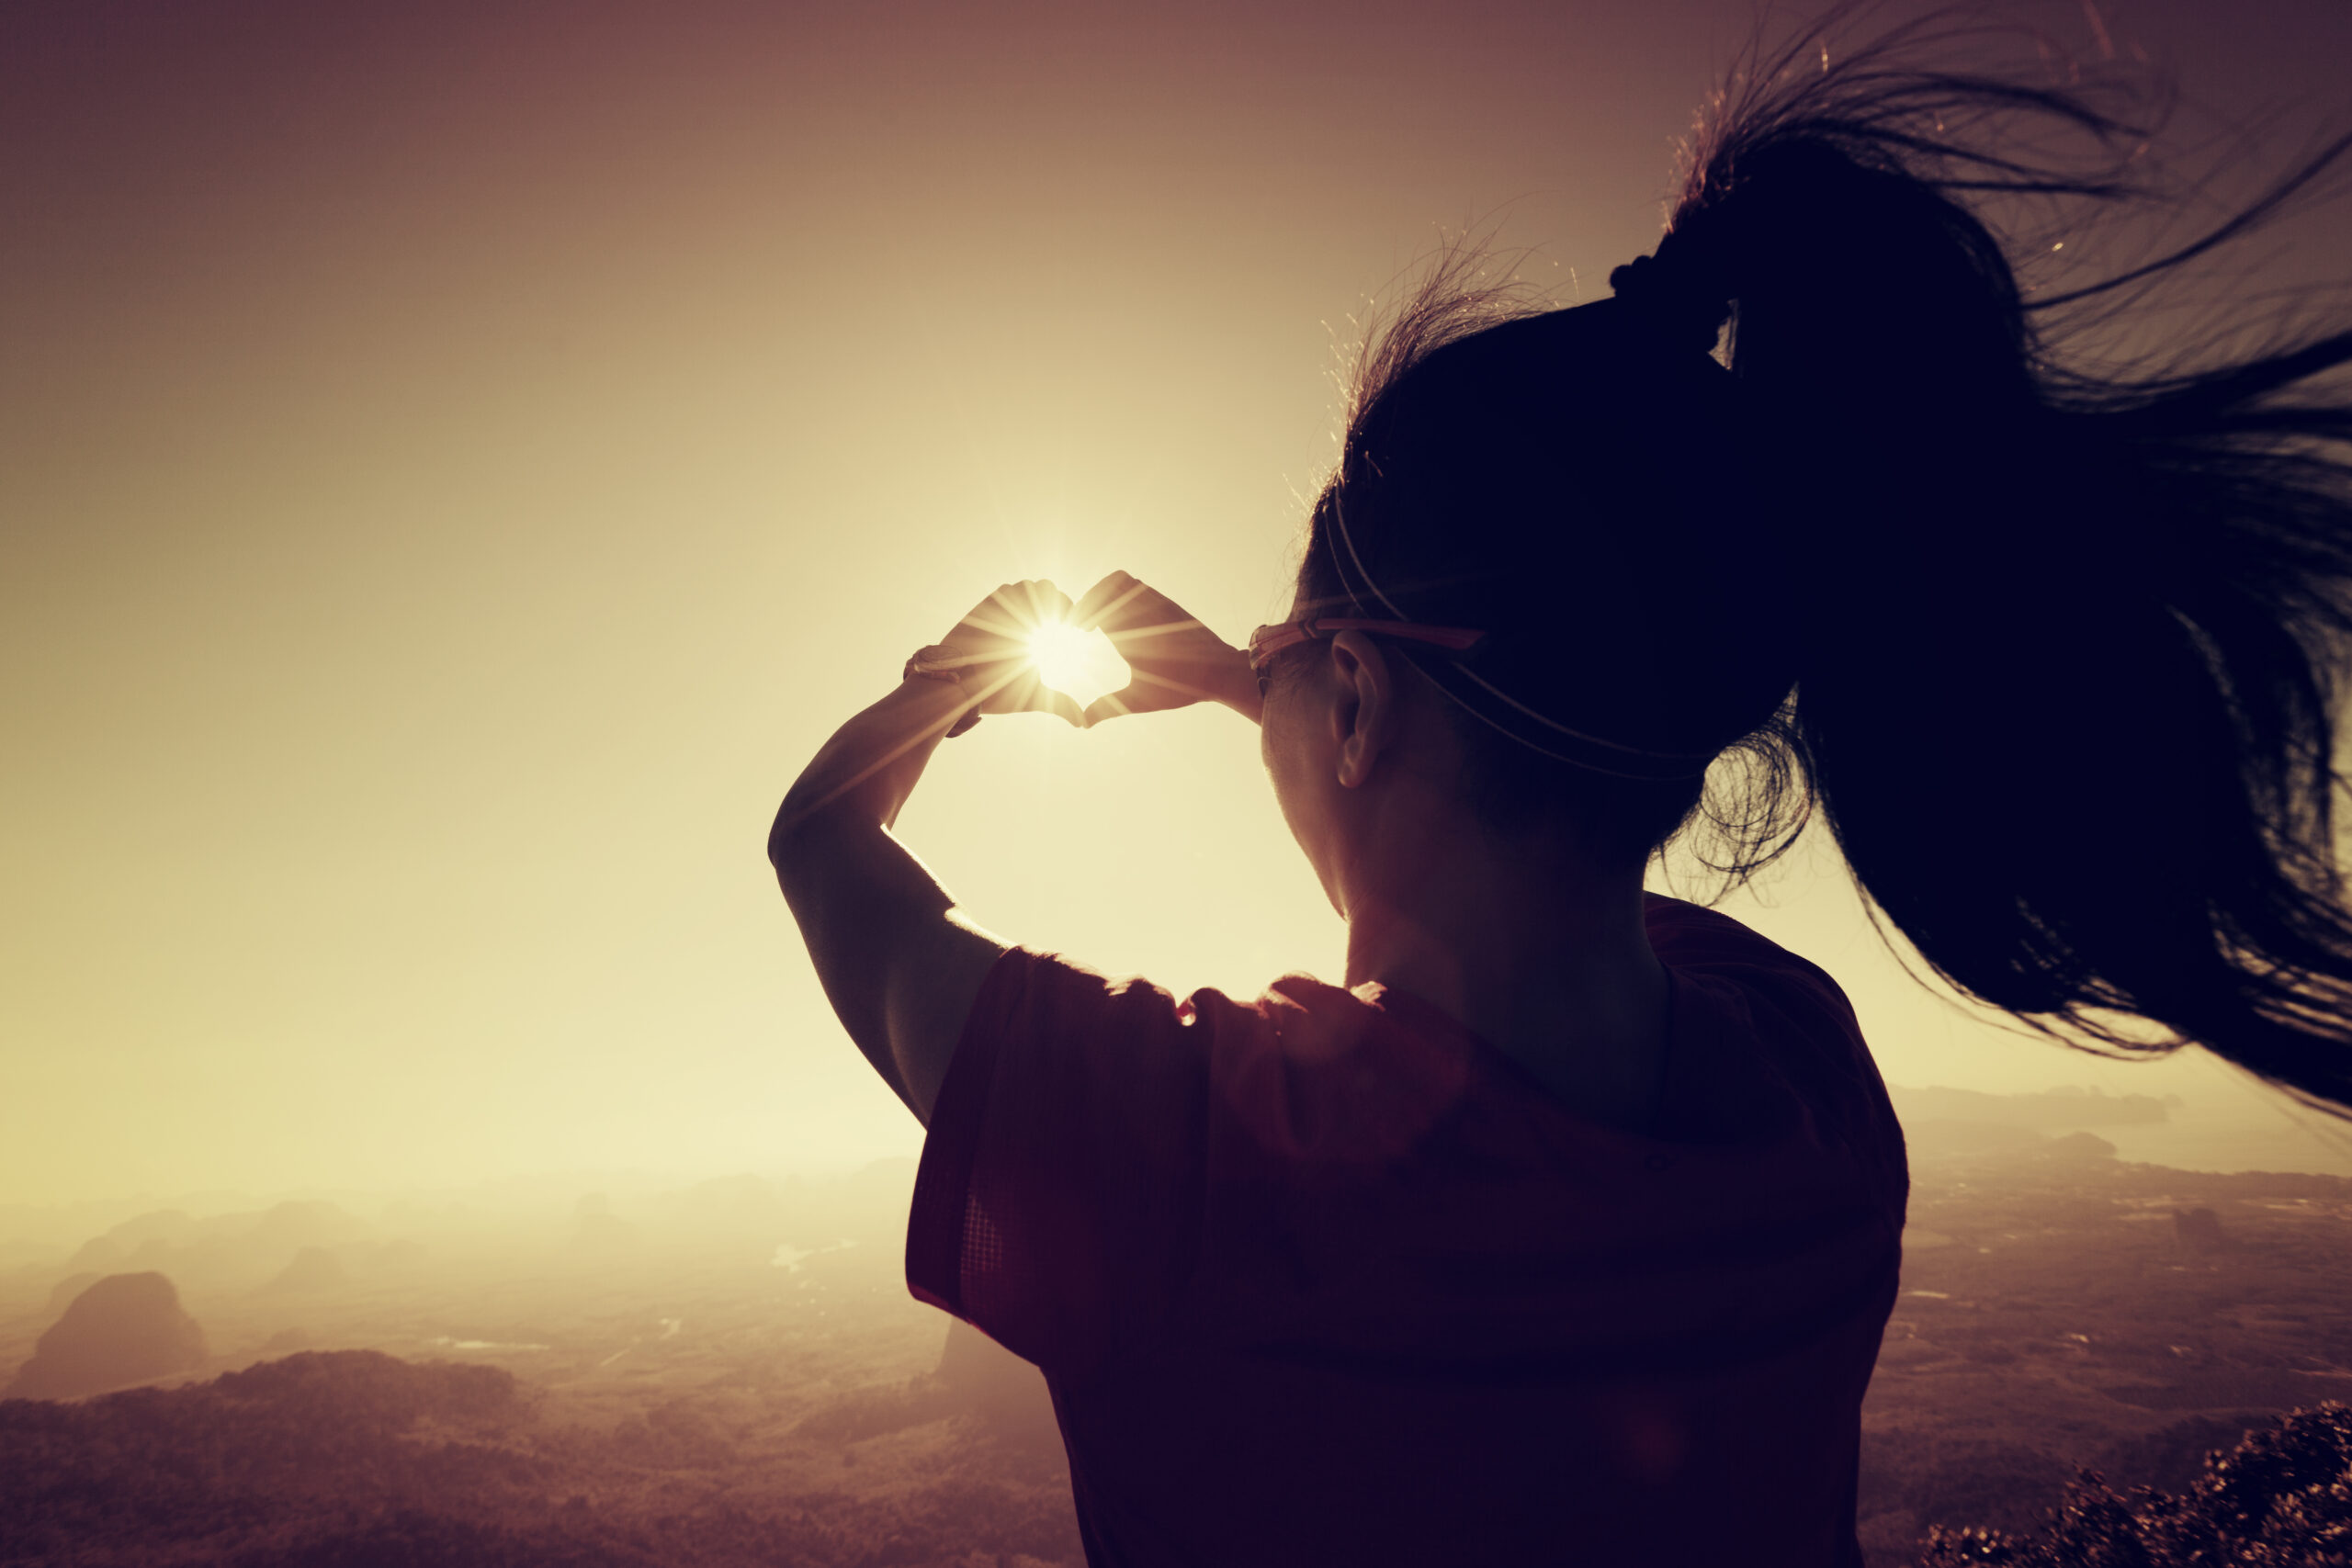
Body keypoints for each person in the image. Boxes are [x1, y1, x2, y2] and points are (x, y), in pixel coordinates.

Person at [769, 16, 2352, 1564]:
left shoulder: (1174, 1155)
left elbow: (821, 843)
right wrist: (1295, 677)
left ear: (1363, 705)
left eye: (1301, 650)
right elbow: (1565, 785)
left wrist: (952, 682)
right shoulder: (1805, 1094)